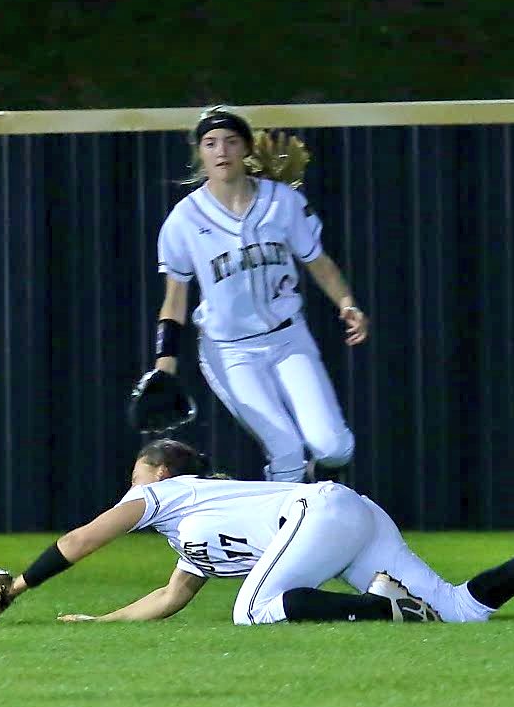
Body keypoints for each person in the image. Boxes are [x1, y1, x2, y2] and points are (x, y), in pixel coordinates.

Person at [0, 438, 514, 627]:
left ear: (158, 472)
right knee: (457, 612)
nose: (129, 488)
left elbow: (80, 540)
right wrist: (99, 624)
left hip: (318, 514)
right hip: (350, 517)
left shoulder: (161, 493)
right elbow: (170, 597)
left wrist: (18, 585)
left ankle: (382, 609)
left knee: (251, 611)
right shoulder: (194, 530)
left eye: (135, 475)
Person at [150, 105, 369, 484]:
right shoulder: (184, 219)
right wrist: (164, 361)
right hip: (230, 350)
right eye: (211, 142)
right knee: (285, 450)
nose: (221, 151)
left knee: (333, 447)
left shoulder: (282, 202)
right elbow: (175, 297)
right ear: (199, 152)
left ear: (247, 149)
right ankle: (285, 536)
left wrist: (347, 303)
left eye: (231, 141)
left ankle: (321, 501)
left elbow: (318, 262)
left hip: (288, 338)